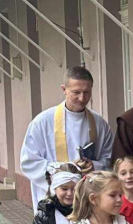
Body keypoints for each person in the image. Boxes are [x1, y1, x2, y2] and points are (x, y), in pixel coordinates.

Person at [21, 66, 114, 213]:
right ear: (64, 89)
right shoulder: (43, 122)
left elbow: (108, 159)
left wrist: (93, 166)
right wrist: (64, 168)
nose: (82, 98)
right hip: (54, 200)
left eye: (86, 92)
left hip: (87, 198)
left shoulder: (99, 123)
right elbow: (29, 162)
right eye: (76, 92)